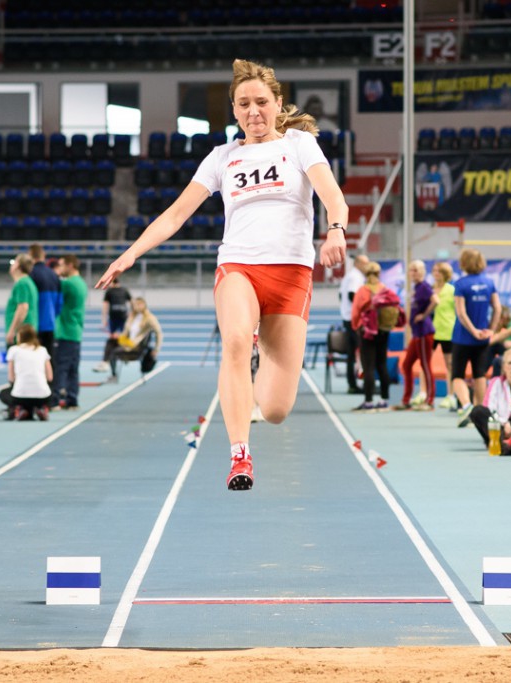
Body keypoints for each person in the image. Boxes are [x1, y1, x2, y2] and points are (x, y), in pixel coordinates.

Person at [96, 58, 348, 491]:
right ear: (233, 110)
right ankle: (239, 455)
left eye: (262, 103)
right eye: (244, 104)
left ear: (278, 104)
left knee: (274, 409)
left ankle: (260, 347)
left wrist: (336, 230)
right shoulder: (221, 158)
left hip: (290, 277)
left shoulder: (300, 145)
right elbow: (175, 215)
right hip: (239, 267)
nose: (254, 112)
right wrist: (130, 254)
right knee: (233, 339)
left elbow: (333, 197)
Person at [451, 247, 502, 426]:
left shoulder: (461, 284)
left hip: (462, 337)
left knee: (457, 375)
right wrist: (490, 330)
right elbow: (497, 308)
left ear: (463, 263)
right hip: (482, 338)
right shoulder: (489, 283)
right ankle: (479, 412)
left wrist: (472, 331)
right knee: (479, 374)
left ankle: (466, 406)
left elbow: (461, 312)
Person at [351, 261, 400, 411]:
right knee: (382, 364)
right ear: (379, 274)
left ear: (365, 274)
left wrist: (356, 327)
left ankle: (369, 401)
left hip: (367, 332)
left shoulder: (363, 291)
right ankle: (384, 400)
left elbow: (355, 313)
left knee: (368, 366)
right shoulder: (385, 290)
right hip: (383, 331)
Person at [394, 259, 436, 411]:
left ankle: (430, 400)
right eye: (411, 270)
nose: (413, 273)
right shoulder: (416, 288)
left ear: (423, 272)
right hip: (417, 334)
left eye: (416, 270)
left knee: (425, 366)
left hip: (425, 333)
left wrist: (424, 315)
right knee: (406, 365)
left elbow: (435, 300)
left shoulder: (424, 286)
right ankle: (406, 399)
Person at [52, 254, 87, 410]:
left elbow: (54, 294)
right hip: (76, 330)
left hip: (65, 331)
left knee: (61, 367)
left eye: (62, 265)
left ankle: (56, 399)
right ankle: (72, 400)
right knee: (73, 368)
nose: (60, 269)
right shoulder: (81, 283)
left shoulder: (69, 284)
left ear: (71, 265)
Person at [0, 324, 53, 421]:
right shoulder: (42, 350)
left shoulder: (13, 350)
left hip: (20, 396)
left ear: (19, 336)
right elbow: (50, 377)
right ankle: (41, 407)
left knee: (3, 394)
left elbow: (11, 378)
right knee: (46, 390)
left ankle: (21, 409)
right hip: (43, 396)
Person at [103, 296, 164, 379]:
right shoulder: (132, 317)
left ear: (144, 305)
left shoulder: (150, 318)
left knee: (113, 352)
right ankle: (105, 363)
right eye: (135, 304)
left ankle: (111, 371)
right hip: (127, 342)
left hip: (136, 346)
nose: (135, 306)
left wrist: (156, 349)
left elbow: (159, 333)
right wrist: (118, 336)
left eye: (138, 304)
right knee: (110, 341)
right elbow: (125, 332)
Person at [338, 253, 370, 394]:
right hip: (354, 320)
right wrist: (365, 308)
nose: (367, 266)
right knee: (362, 351)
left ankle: (352, 383)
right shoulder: (355, 277)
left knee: (352, 353)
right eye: (365, 263)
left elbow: (341, 295)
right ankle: (362, 383)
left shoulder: (351, 276)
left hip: (348, 317)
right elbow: (352, 295)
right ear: (357, 263)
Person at [431, 261, 458, 409]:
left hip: (448, 330)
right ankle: (425, 392)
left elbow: (458, 310)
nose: (436, 273)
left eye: (439, 271)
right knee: (425, 363)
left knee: (450, 365)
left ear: (445, 274)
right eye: (434, 270)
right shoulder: (430, 289)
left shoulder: (451, 290)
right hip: (433, 330)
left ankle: (450, 395)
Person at [94, 276, 132, 372]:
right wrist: (131, 315)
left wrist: (103, 320)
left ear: (112, 282)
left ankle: (120, 357)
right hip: (122, 317)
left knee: (114, 338)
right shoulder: (124, 290)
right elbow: (132, 303)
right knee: (121, 338)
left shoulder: (110, 291)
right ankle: (124, 356)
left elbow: (105, 306)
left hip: (115, 319)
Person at [29, 243, 62, 352]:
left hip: (35, 325)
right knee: (49, 360)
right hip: (50, 324)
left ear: (30, 255)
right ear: (43, 255)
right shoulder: (54, 275)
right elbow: (59, 304)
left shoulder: (30, 274)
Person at [5, 253, 39, 348]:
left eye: (14, 262)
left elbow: (23, 308)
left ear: (18, 266)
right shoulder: (28, 282)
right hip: (26, 331)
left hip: (21, 333)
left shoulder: (22, 283)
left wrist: (12, 331)